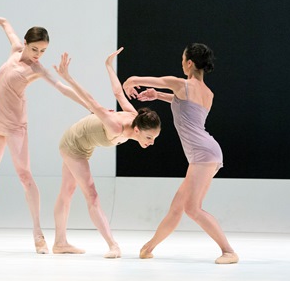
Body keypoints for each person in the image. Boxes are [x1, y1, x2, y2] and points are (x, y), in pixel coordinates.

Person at [0, 15, 88, 253]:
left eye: (43, 51)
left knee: (25, 176)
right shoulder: (15, 50)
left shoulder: (36, 69)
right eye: (35, 48)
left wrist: (91, 106)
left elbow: (62, 89)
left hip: (15, 128)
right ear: (25, 43)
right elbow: (4, 22)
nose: (38, 54)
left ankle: (38, 236)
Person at [122, 43, 239, 264]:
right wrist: (158, 95)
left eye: (182, 60)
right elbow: (185, 105)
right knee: (178, 207)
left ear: (189, 63)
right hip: (206, 152)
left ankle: (228, 251)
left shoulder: (181, 84)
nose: (181, 64)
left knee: (192, 208)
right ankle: (149, 247)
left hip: (203, 153)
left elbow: (156, 80)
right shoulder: (208, 93)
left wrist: (132, 80)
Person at [52, 48, 161, 258]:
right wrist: (68, 77)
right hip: (74, 145)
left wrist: (108, 66)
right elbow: (91, 101)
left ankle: (59, 243)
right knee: (91, 195)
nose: (152, 143)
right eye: (149, 138)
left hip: (83, 144)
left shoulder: (134, 115)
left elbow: (119, 92)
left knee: (67, 191)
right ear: (137, 130)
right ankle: (113, 245)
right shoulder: (115, 126)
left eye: (154, 138)